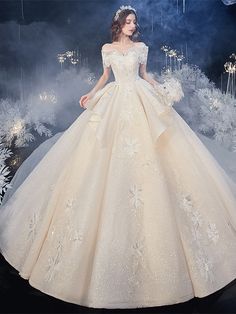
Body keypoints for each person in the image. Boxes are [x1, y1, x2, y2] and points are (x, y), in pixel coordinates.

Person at [1, 4, 236, 310]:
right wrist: (91, 94)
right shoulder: (107, 49)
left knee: (160, 154)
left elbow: (145, 75)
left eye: (134, 22)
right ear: (118, 24)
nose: (132, 25)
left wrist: (163, 89)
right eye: (128, 21)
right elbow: (105, 77)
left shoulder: (142, 48)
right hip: (114, 101)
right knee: (96, 158)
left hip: (141, 99)